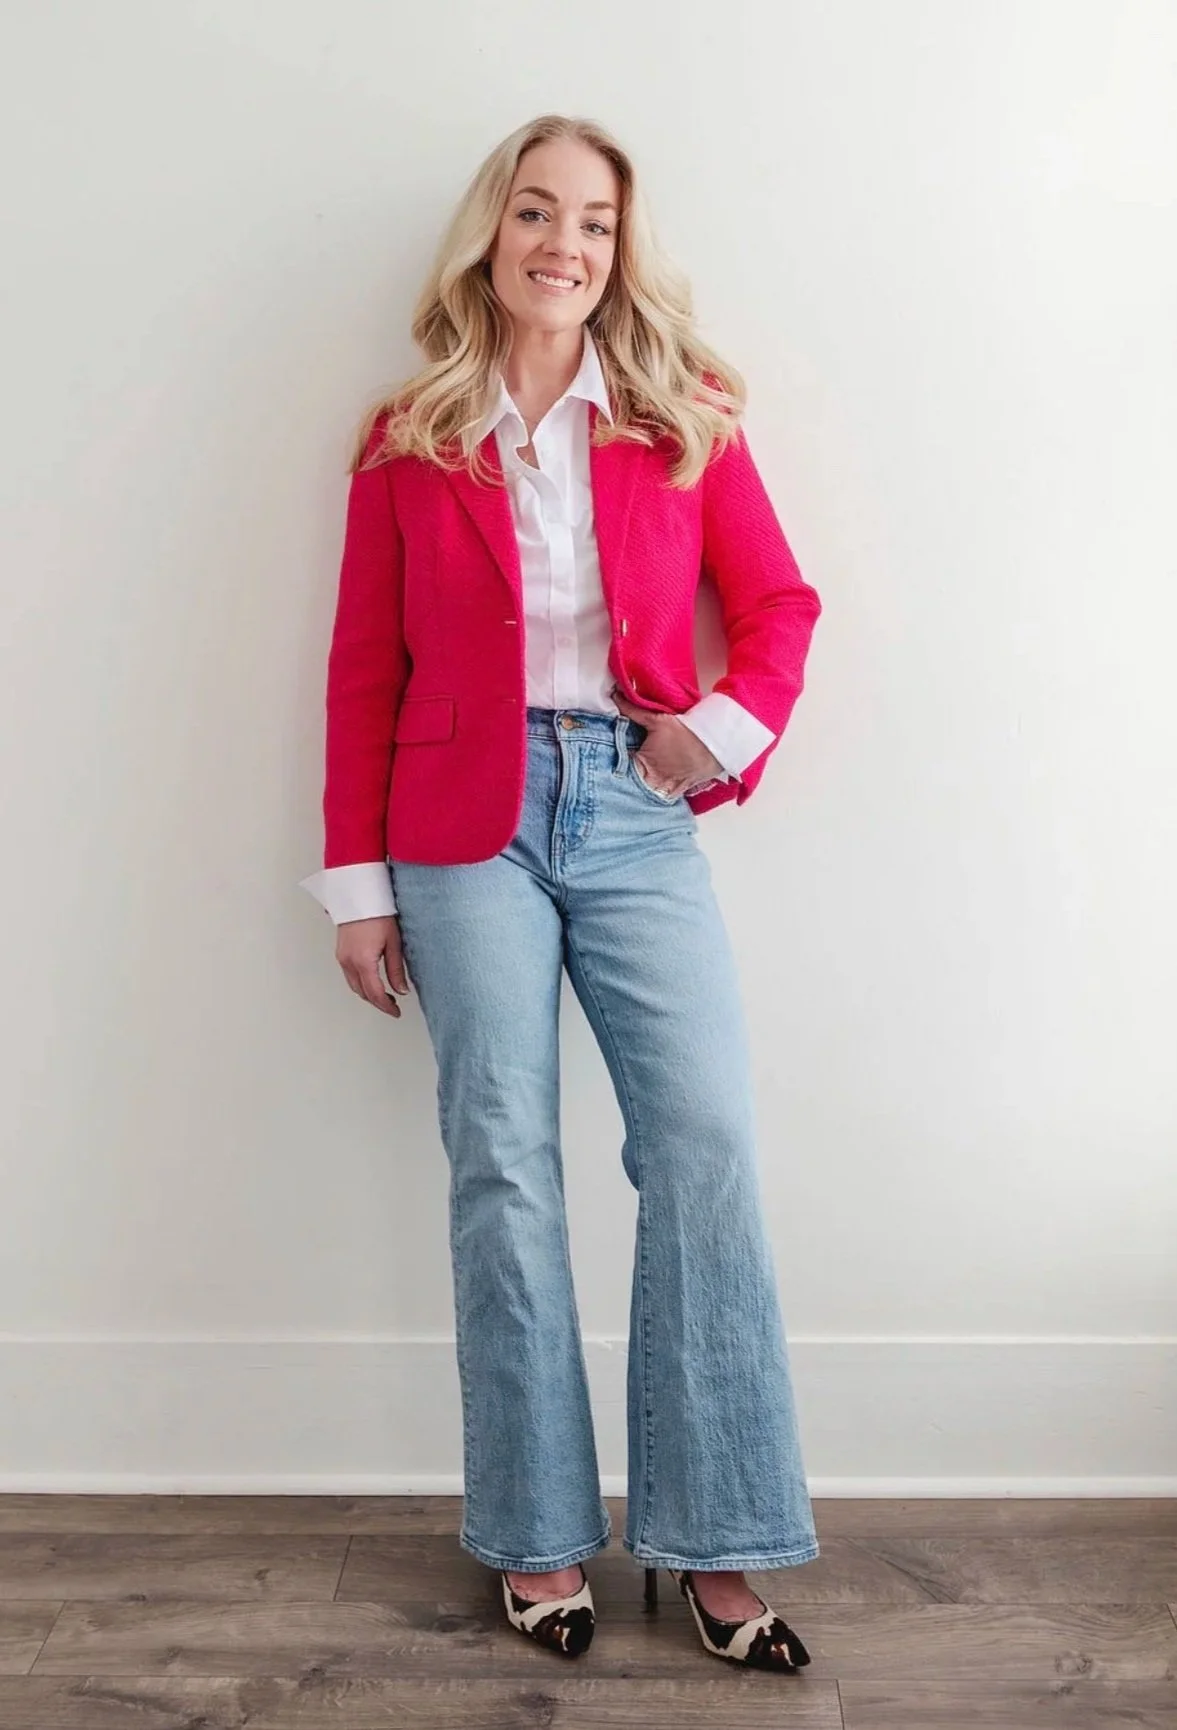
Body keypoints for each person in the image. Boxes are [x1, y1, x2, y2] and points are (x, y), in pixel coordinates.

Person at [300, 113, 822, 1672]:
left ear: (619, 250)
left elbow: (780, 606)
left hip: (635, 806)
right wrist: (356, 886)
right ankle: (535, 1532)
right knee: (505, 1163)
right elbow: (363, 668)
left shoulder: (683, 415)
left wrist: (714, 732)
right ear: (494, 233)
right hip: (463, 823)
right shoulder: (407, 436)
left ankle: (715, 1536)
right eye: (538, 212)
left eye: (594, 222)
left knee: (705, 1140)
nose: (565, 245)